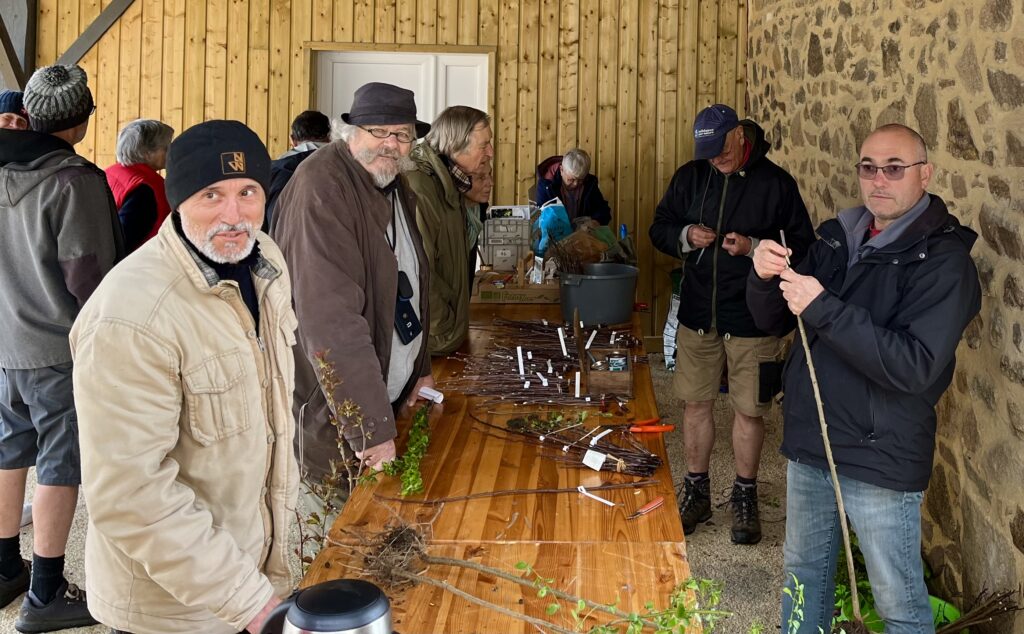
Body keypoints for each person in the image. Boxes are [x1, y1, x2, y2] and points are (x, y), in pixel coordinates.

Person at [747, 124, 981, 634]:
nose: (879, 180)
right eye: (869, 167)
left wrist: (823, 308)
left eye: (894, 168)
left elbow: (914, 365)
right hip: (813, 442)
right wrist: (763, 277)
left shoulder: (944, 262)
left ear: (925, 174)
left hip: (880, 455)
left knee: (898, 603)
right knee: (803, 579)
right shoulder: (840, 237)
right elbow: (773, 320)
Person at [70, 120, 297, 634]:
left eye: (248, 192)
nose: (234, 215)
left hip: (250, 576)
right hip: (171, 608)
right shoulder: (131, 314)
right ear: (177, 199)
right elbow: (130, 493)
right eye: (211, 194)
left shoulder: (266, 261)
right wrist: (248, 600)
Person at [649, 104, 814, 545]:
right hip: (698, 313)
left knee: (749, 410)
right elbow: (659, 228)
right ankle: (697, 491)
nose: (716, 160)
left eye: (722, 149)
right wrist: (686, 236)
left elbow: (803, 246)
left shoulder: (776, 184)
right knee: (695, 404)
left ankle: (745, 495)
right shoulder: (690, 176)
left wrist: (755, 246)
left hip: (753, 318)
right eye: (707, 153)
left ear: (740, 135)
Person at [0, 63, 123, 633]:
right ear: (82, 119)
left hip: (6, 343)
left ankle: (4, 568)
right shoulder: (75, 181)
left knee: (9, 452)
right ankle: (45, 593)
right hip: (58, 347)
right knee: (60, 462)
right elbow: (89, 277)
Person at [272, 82, 435, 486]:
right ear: (350, 131)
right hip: (338, 430)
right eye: (379, 131)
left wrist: (419, 369)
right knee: (351, 525)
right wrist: (370, 430)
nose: (391, 144)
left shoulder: (392, 182)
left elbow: (410, 282)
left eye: (402, 134)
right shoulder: (322, 190)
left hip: (383, 404)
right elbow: (331, 324)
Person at [406, 105, 493, 355]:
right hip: (430, 344)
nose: (491, 152)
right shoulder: (421, 187)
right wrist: (443, 324)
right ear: (456, 146)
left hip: (445, 338)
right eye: (484, 145)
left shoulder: (452, 183)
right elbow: (418, 271)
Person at [105, 119, 174, 252]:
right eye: (166, 148)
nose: (171, 152)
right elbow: (126, 239)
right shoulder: (144, 189)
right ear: (146, 153)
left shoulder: (112, 171)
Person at [264, 110, 332, 230]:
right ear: (329, 137)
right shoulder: (344, 166)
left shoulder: (271, 172)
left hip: (280, 239)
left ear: (292, 140)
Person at [536, 148, 612, 225]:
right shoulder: (546, 185)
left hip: (583, 229)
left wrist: (595, 222)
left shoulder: (589, 183)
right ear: (561, 170)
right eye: (571, 180)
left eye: (580, 180)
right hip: (556, 230)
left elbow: (602, 209)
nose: (575, 184)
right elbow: (541, 216)